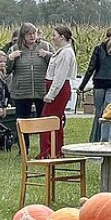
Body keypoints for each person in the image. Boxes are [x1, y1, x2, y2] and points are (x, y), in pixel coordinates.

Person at [80, 28, 111, 145]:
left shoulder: (99, 48)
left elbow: (91, 68)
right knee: (110, 114)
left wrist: (82, 86)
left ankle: (95, 141)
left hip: (99, 84)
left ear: (105, 35)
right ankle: (109, 141)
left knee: (99, 113)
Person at [39, 26, 77, 157]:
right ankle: (57, 150)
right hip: (58, 88)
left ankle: (48, 152)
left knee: (48, 120)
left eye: (54, 35)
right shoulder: (62, 51)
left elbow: (59, 77)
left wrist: (51, 94)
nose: (52, 38)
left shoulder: (66, 53)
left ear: (62, 37)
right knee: (55, 120)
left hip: (59, 90)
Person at [7, 23, 52, 127]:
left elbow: (56, 62)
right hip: (21, 91)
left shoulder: (45, 46)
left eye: (34, 33)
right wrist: (10, 58)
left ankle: (45, 142)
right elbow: (7, 70)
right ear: (23, 36)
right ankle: (23, 143)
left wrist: (48, 55)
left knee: (44, 120)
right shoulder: (15, 48)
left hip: (41, 90)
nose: (32, 36)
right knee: (22, 122)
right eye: (28, 34)